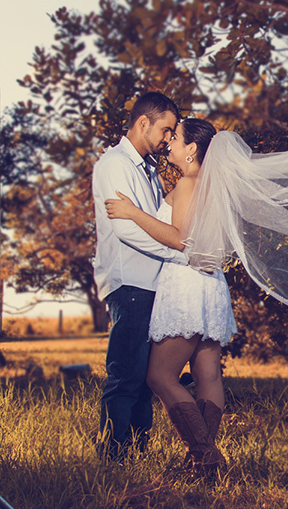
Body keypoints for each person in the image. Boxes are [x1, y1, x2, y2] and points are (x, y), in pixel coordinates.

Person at [105, 117, 237, 473]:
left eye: (175, 137)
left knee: (159, 377)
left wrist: (132, 212)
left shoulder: (189, 183)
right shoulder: (212, 186)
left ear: (192, 149)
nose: (169, 143)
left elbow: (180, 238)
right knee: (208, 375)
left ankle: (206, 456)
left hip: (186, 283)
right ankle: (202, 463)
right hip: (211, 285)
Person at [91, 91, 181, 459]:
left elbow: (156, 222)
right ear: (143, 122)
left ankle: (138, 455)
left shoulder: (147, 169)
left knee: (144, 379)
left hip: (151, 283)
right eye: (166, 129)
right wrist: (177, 254)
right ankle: (112, 456)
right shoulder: (114, 164)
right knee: (125, 375)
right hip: (131, 283)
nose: (168, 139)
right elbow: (126, 230)